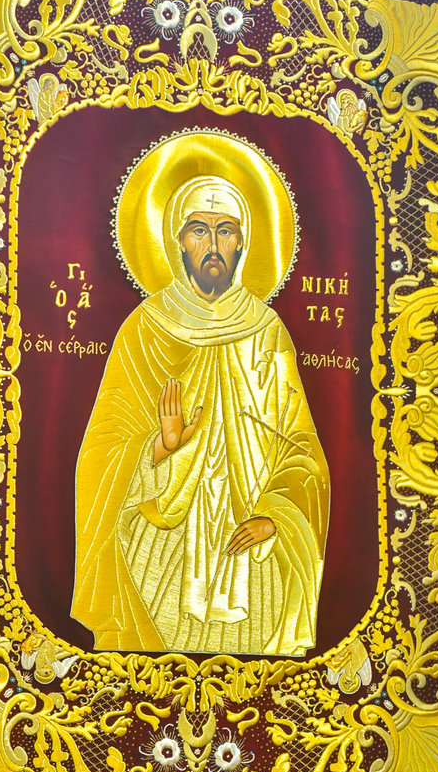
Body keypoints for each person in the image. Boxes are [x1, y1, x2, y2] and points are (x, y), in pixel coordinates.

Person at [72, 175, 329, 656]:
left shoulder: (267, 332)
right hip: (162, 548)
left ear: (243, 243)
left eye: (225, 230)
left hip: (250, 553)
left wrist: (274, 518)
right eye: (198, 229)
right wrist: (159, 447)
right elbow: (100, 454)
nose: (212, 245)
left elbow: (302, 452)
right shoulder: (144, 330)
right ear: (178, 242)